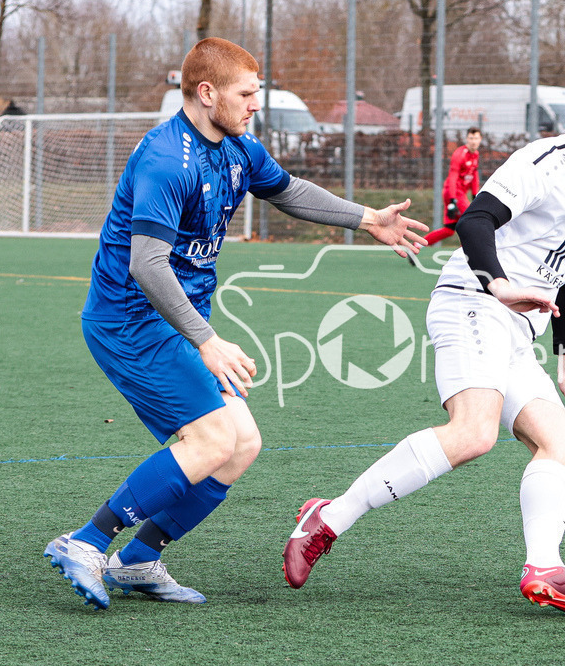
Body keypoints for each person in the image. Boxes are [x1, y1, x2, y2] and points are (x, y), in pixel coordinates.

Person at [44, 37, 427, 610]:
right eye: (246, 94)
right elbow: (145, 265)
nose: (255, 105)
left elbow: (289, 191)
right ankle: (87, 541)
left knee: (242, 444)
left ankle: (137, 560)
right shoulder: (164, 159)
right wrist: (207, 340)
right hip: (130, 321)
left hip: (176, 323)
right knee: (215, 437)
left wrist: (368, 218)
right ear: (206, 93)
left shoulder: (237, 147)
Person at [283, 68, 565, 617]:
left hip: (515, 332)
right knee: (474, 433)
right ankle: (328, 519)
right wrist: (499, 284)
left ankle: (544, 568)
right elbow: (476, 221)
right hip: (472, 301)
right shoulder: (541, 164)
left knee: (564, 448)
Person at [430, 127, 482, 245]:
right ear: (467, 139)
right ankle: (469, 254)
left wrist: (475, 194)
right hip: (453, 192)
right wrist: (453, 200)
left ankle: (417, 245)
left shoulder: (476, 154)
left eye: (476, 138)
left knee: (449, 229)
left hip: (460, 193)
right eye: (471, 138)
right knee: (471, 221)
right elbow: (452, 177)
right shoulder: (460, 154)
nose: (474, 141)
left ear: (480, 139)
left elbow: (474, 174)